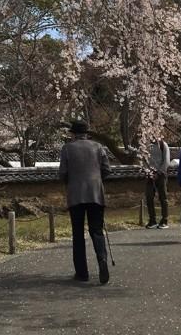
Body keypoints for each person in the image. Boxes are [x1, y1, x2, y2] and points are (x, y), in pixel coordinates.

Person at [58, 120, 112, 284]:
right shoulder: (98, 147)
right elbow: (107, 170)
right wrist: (96, 180)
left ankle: (82, 273)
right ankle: (102, 260)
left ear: (73, 134)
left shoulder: (67, 148)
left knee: (78, 234)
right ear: (87, 133)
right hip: (96, 194)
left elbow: (62, 173)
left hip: (76, 195)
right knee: (96, 230)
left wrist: (70, 182)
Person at [144, 137, 171, 229]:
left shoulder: (163, 145)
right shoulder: (146, 144)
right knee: (149, 197)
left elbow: (166, 161)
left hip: (161, 174)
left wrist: (159, 172)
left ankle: (165, 219)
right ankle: (152, 220)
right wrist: (148, 171)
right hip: (149, 174)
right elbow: (143, 159)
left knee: (163, 197)